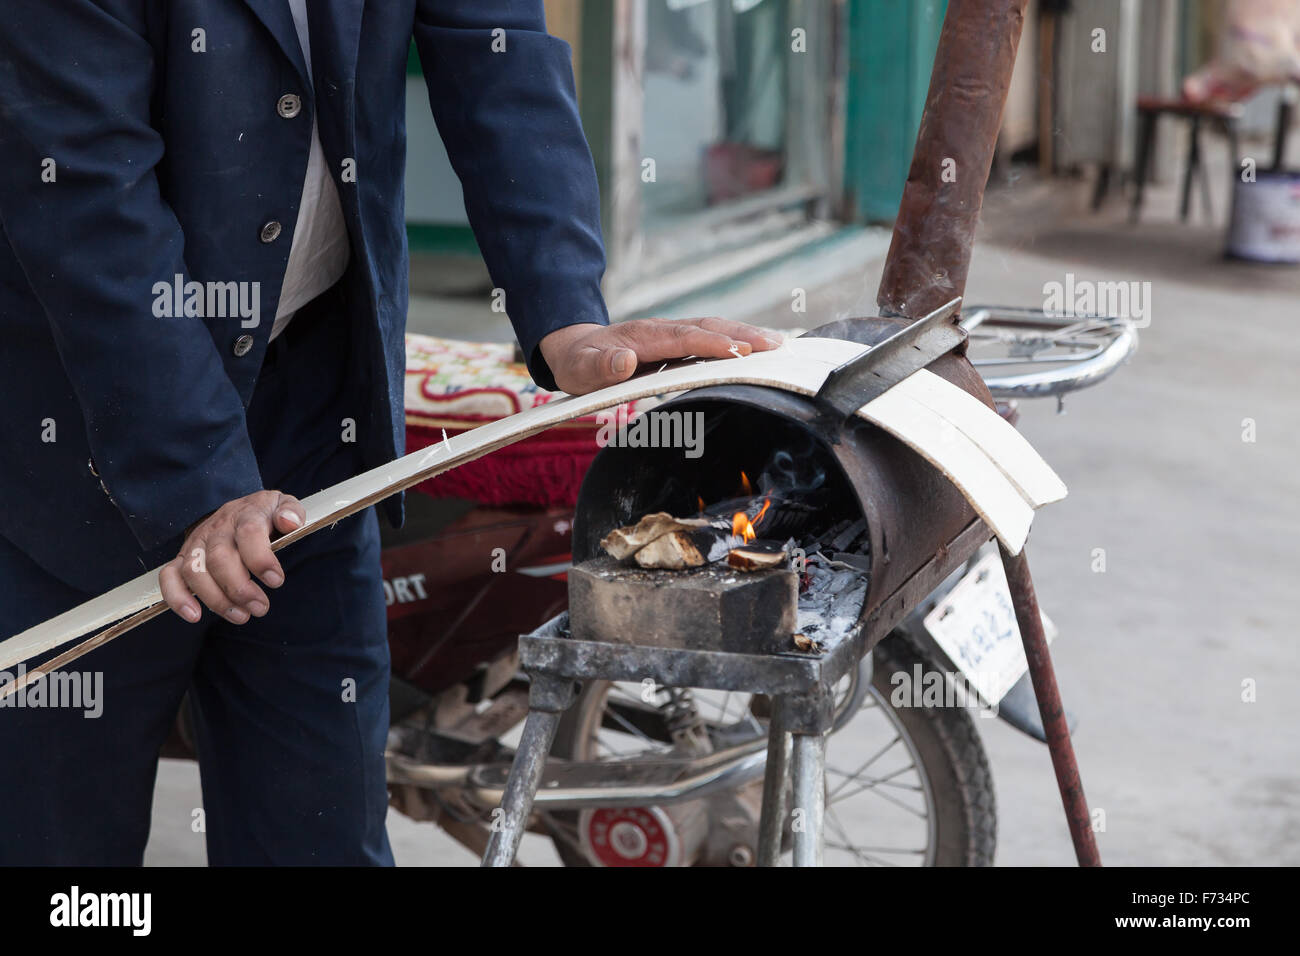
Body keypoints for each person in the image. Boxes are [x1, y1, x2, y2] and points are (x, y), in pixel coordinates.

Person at [0, 0, 779, 865]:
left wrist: (568, 316)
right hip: (82, 433)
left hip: (312, 421)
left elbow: (499, 54)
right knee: (60, 849)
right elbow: (86, 197)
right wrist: (204, 481)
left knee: (321, 825)